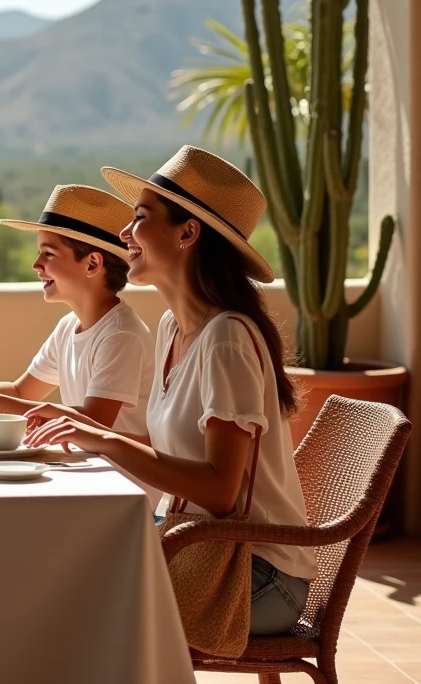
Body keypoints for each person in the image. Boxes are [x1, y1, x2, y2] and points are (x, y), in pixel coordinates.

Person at [26, 146, 316, 635]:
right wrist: (87, 430)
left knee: (70, 612)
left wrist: (107, 440)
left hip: (255, 574)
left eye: (140, 218)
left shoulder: (226, 338)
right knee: (49, 577)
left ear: (187, 233)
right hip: (200, 546)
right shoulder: (172, 328)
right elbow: (174, 456)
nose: (124, 233)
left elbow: (221, 493)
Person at [0, 185, 154, 442]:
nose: (36, 265)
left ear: (92, 264)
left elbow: (95, 422)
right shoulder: (69, 326)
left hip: (120, 475)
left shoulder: (121, 335)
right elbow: (22, 390)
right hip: (89, 464)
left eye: (48, 253)